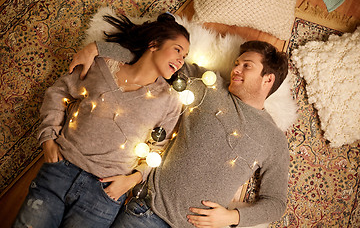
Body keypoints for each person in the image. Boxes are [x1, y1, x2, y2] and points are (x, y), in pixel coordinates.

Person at [69, 39, 290, 228]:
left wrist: (232, 217)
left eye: (247, 66)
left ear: (268, 79)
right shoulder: (207, 85)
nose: (236, 70)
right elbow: (151, 60)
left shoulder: (274, 139)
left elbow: (276, 203)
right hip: (146, 213)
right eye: (236, 63)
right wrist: (97, 48)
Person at [13, 13, 190, 228]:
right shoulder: (101, 65)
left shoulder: (169, 101)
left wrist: (132, 180)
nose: (181, 60)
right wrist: (48, 138)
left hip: (103, 195)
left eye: (185, 56)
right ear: (153, 44)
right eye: (178, 50)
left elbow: (159, 149)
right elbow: (58, 92)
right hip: (59, 172)